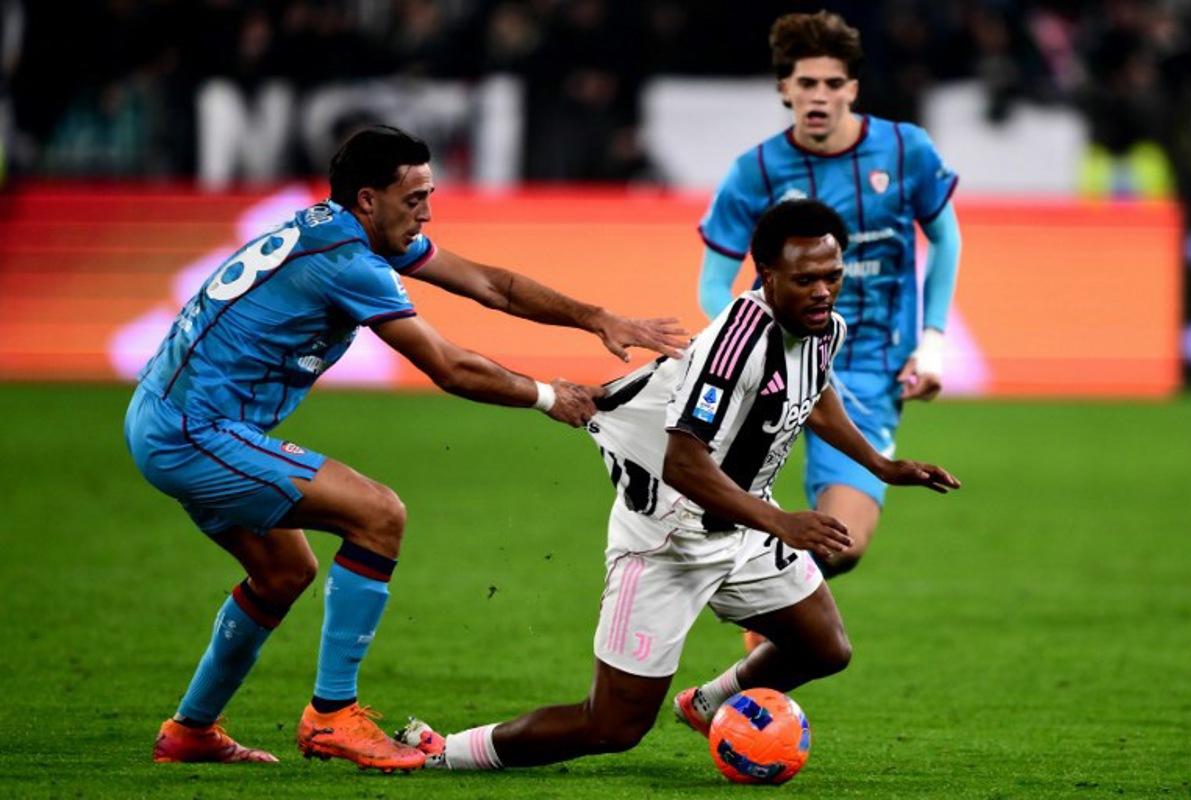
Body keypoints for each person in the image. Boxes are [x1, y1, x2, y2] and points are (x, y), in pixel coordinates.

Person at [124, 126, 687, 771]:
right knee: (378, 514)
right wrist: (546, 396)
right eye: (414, 197)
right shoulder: (349, 263)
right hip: (195, 430)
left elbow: (491, 285)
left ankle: (191, 730)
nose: (426, 212)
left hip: (170, 416)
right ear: (369, 199)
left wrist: (598, 318)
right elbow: (447, 366)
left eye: (430, 195)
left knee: (285, 573)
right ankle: (333, 715)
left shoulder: (336, 230)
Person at [401, 199, 959, 772]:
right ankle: (445, 753)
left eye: (833, 276)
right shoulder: (733, 347)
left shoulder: (822, 326)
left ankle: (708, 705)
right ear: (767, 276)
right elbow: (684, 465)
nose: (823, 291)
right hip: (669, 535)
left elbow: (814, 393)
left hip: (742, 523)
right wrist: (783, 522)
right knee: (611, 726)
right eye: (806, 279)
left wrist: (881, 465)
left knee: (824, 648)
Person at [696, 12, 963, 621]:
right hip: (773, 364)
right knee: (703, 520)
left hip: (866, 367)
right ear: (784, 89)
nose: (819, 96)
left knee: (841, 544)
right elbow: (713, 285)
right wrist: (764, 342)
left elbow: (946, 240)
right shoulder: (755, 172)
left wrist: (934, 344)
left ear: (853, 89)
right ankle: (731, 639)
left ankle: (760, 634)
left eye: (831, 83)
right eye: (805, 83)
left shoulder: (904, 149)